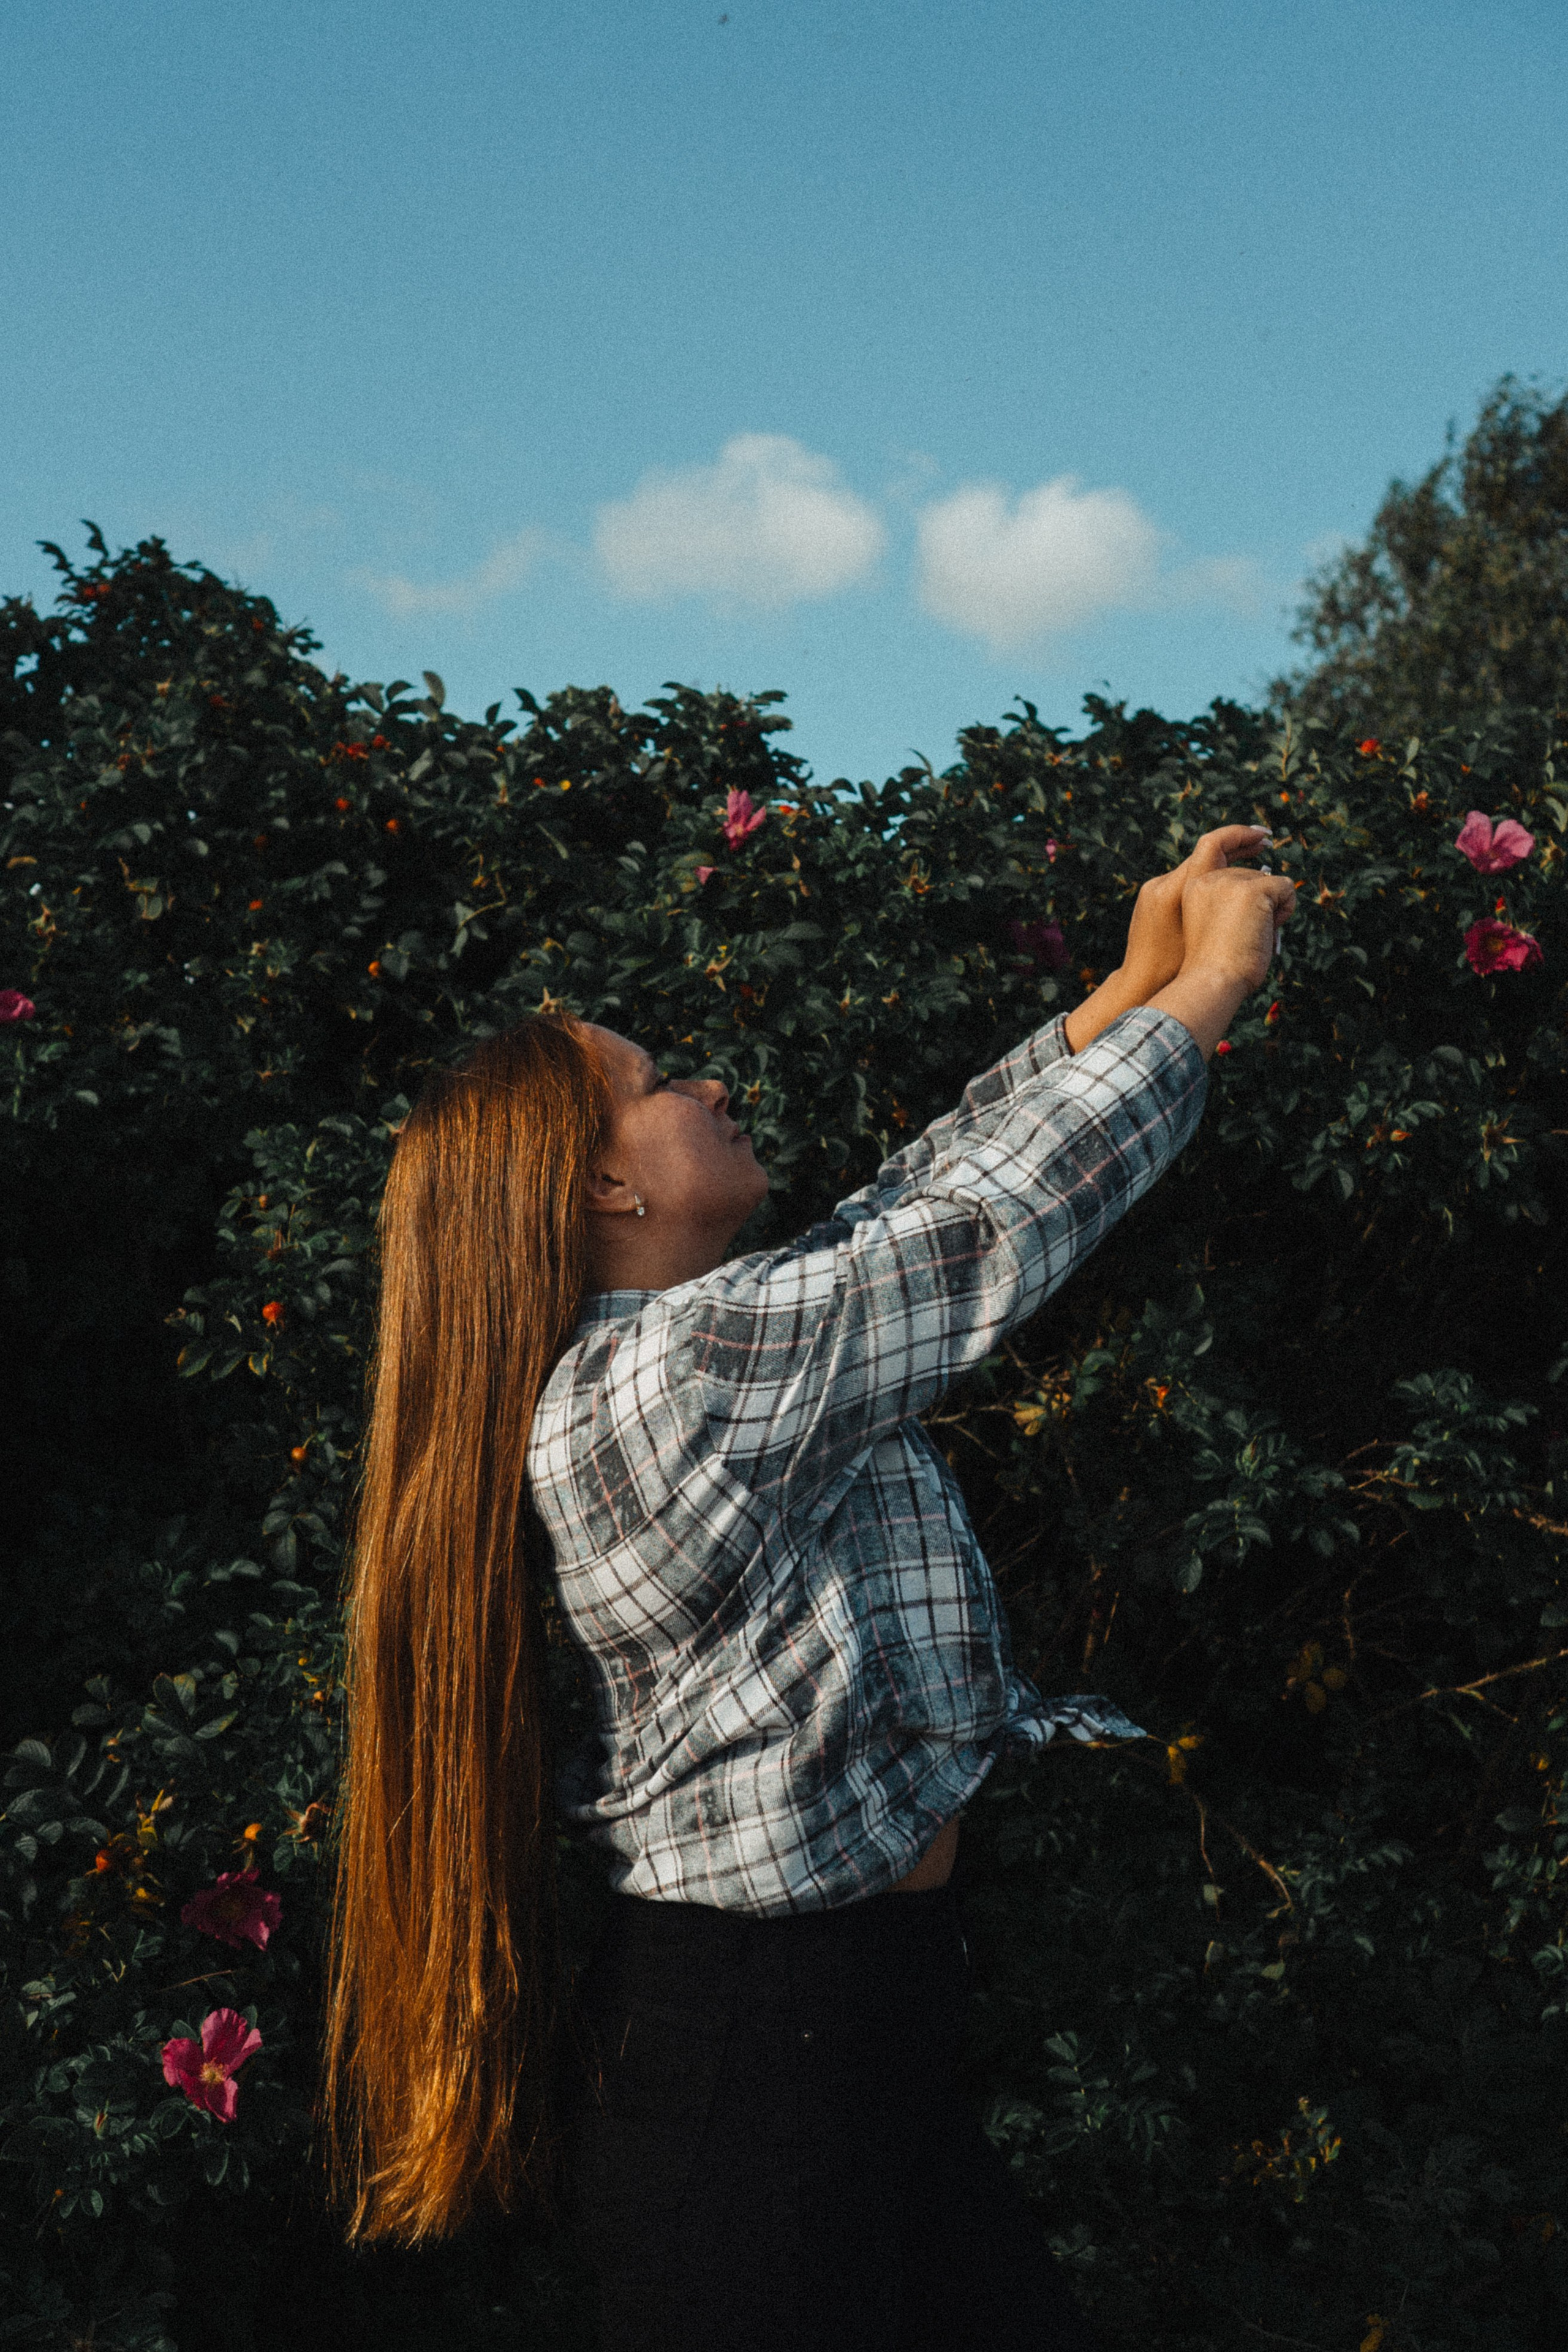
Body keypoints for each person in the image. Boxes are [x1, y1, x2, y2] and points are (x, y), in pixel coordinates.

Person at [322, 823, 1295, 2351]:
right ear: (599, 1188)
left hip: (840, 2048)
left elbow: (902, 1216)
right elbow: (976, 1237)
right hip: (760, 2091)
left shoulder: (696, 1354)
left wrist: (1126, 989)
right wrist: (1213, 989)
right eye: (659, 1085)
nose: (705, 1083)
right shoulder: (672, 1379)